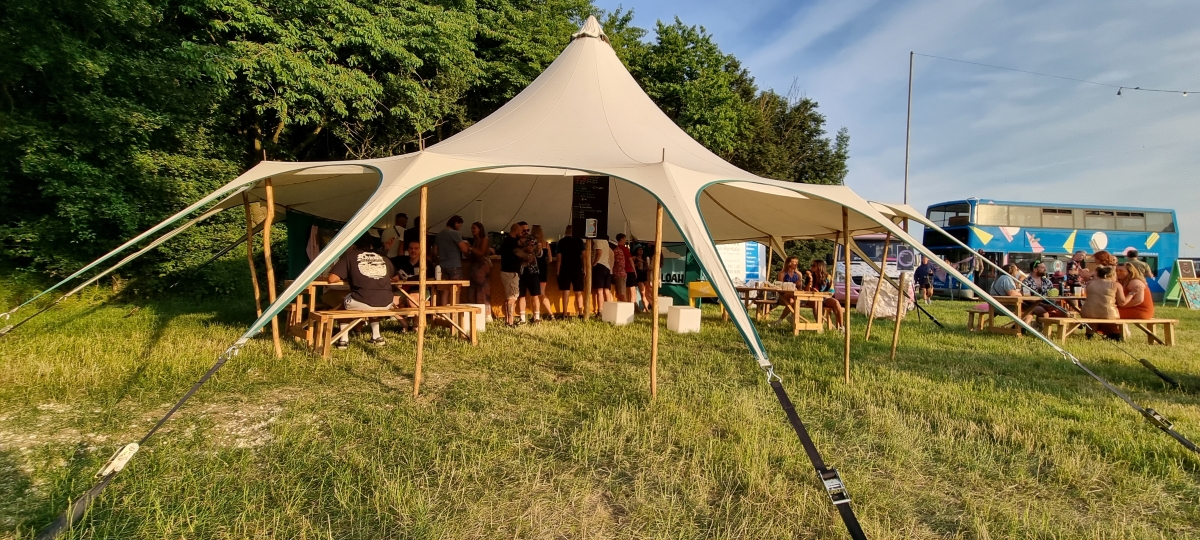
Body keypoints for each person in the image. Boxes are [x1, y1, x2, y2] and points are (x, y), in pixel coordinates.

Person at [326, 234, 398, 349]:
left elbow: (332, 279)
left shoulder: (349, 255)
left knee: (342, 305)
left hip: (364, 300)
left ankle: (343, 340)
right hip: (388, 302)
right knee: (372, 298)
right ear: (371, 245)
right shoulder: (382, 256)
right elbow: (396, 278)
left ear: (354, 245)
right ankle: (377, 336)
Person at [1082, 265, 1127, 339]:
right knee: (1108, 312)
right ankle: (1115, 335)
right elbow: (1122, 302)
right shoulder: (1116, 285)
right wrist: (1132, 294)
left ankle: (1089, 334)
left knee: (1094, 312)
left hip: (1087, 312)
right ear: (1111, 275)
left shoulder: (1089, 283)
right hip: (1108, 313)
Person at [435, 215, 471, 304]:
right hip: (454, 265)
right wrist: (467, 245)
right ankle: (454, 313)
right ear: (455, 223)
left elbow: (435, 251)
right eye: (459, 225)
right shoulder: (454, 234)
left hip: (443, 265)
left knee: (445, 290)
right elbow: (464, 249)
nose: (459, 228)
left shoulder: (439, 234)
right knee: (456, 289)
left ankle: (444, 312)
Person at [499, 222, 528, 326]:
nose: (522, 233)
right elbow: (517, 253)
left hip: (506, 272)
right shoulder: (512, 241)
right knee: (512, 298)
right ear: (516, 230)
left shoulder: (507, 241)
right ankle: (510, 322)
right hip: (511, 273)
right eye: (521, 231)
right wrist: (527, 256)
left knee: (509, 298)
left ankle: (507, 321)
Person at [555, 225, 586, 318]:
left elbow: (559, 258)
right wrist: (585, 269)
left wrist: (557, 271)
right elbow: (584, 256)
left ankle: (564, 313)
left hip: (565, 268)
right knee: (578, 292)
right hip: (577, 268)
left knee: (565, 292)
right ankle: (580, 312)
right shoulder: (580, 241)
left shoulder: (561, 242)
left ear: (566, 231)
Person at [518, 225, 545, 323]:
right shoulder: (515, 240)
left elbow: (539, 254)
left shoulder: (532, 239)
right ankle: (522, 318)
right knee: (521, 295)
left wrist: (539, 248)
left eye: (527, 230)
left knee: (535, 294)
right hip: (521, 270)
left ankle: (536, 318)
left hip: (532, 270)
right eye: (524, 230)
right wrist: (525, 250)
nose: (526, 232)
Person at [809, 259, 844, 331]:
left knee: (836, 303)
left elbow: (831, 291)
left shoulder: (828, 277)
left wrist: (820, 293)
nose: (811, 267)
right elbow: (806, 290)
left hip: (825, 297)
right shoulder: (810, 276)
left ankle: (841, 327)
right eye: (811, 265)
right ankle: (819, 326)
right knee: (816, 302)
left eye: (813, 265)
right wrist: (810, 279)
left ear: (819, 267)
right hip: (812, 298)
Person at [529, 225, 555, 320]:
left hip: (533, 271)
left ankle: (535, 315)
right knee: (542, 293)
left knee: (534, 295)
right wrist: (544, 263)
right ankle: (551, 314)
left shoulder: (531, 244)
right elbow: (551, 259)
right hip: (543, 271)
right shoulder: (546, 244)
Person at [771, 256, 804, 326]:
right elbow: (781, 287)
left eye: (797, 262)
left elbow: (800, 288)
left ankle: (780, 321)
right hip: (783, 295)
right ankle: (793, 318)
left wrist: (799, 284)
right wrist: (794, 284)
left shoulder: (798, 274)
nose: (796, 264)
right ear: (789, 263)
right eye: (794, 262)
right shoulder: (782, 273)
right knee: (793, 299)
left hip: (794, 296)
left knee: (793, 300)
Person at [467, 222, 492, 309]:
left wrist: (471, 248)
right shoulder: (475, 241)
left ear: (480, 229)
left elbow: (481, 253)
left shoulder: (484, 239)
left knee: (482, 289)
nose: (472, 230)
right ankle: (474, 310)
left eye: (474, 228)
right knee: (473, 289)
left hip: (482, 267)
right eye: (471, 228)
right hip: (474, 267)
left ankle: (485, 312)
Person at [592, 235, 615, 314]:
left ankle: (600, 310)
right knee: (607, 290)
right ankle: (609, 310)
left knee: (599, 290)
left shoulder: (598, 240)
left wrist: (594, 263)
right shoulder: (606, 243)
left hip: (599, 266)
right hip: (607, 267)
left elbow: (599, 252)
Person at [632, 245, 651, 312]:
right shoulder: (634, 258)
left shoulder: (645, 259)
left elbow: (648, 268)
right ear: (636, 251)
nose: (641, 251)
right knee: (642, 293)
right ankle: (646, 308)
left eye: (642, 250)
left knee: (647, 293)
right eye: (639, 249)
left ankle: (646, 308)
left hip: (645, 276)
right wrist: (636, 265)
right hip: (639, 277)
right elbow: (629, 264)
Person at [612, 234, 630, 302]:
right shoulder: (619, 250)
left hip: (619, 274)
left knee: (622, 294)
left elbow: (619, 264)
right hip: (620, 274)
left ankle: (626, 309)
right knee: (619, 294)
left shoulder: (617, 251)